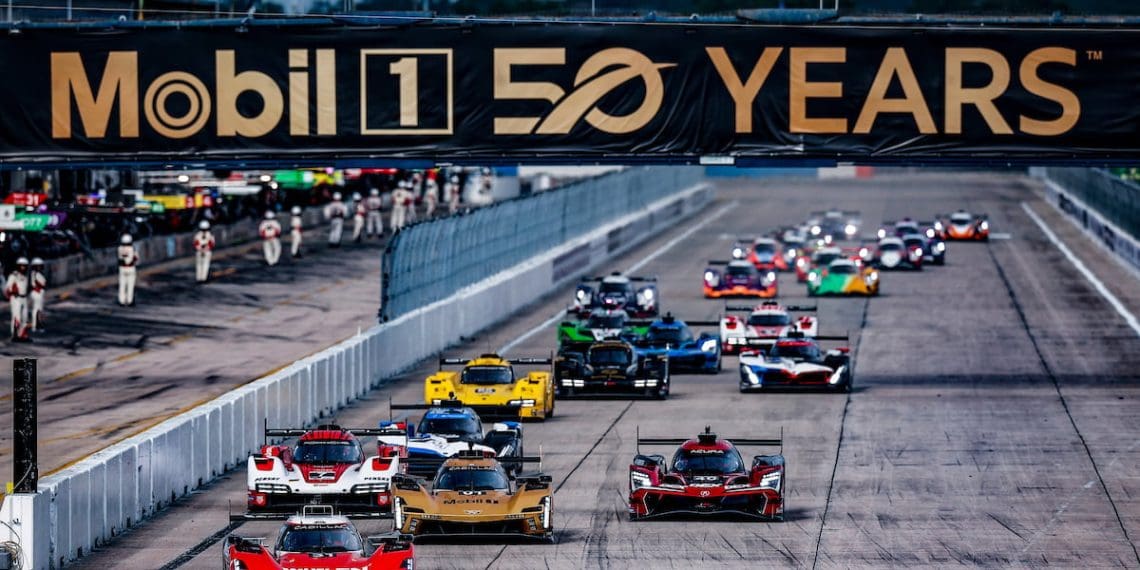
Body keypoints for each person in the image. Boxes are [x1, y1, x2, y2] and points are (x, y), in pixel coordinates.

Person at [5, 257, 30, 341]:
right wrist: (12, 291)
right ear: (18, 266)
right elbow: (8, 287)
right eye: (21, 265)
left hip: (24, 298)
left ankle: (22, 335)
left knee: (25, 317)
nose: (23, 267)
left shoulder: (26, 276)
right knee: (17, 317)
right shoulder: (14, 275)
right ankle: (15, 335)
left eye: (25, 266)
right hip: (16, 298)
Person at [117, 234, 139, 307]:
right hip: (130, 268)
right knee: (130, 285)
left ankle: (121, 301)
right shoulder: (132, 248)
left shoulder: (119, 248)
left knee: (122, 285)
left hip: (122, 268)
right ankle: (129, 301)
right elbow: (136, 258)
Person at [29, 257, 46, 332]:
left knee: (39, 310)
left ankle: (37, 325)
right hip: (37, 293)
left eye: (40, 265)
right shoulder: (35, 274)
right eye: (37, 266)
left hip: (39, 293)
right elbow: (40, 284)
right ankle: (35, 326)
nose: (39, 267)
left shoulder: (38, 274)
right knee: (37, 310)